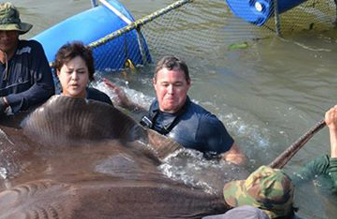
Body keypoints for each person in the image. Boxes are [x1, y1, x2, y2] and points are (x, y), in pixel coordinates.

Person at [105, 56, 246, 165]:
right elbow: (153, 118)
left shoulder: (204, 123)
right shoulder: (156, 105)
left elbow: (237, 156)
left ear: (188, 84)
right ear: (155, 84)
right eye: (165, 84)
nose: (170, 91)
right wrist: (127, 104)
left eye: (177, 84)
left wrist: (207, 175)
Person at [0, 3, 55, 120]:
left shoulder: (32, 51)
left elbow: (45, 87)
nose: (5, 37)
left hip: (34, 119)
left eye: (10, 30)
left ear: (18, 31)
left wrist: (6, 101)